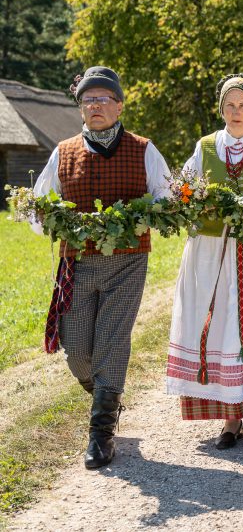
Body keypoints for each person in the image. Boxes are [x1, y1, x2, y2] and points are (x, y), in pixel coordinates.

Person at [32, 66, 171, 469]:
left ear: (119, 105)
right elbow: (40, 207)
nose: (94, 106)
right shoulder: (64, 151)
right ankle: (104, 394)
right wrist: (55, 222)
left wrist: (144, 215)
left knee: (113, 341)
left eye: (102, 99)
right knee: (76, 351)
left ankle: (100, 433)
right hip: (78, 262)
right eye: (87, 100)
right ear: (80, 108)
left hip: (128, 261)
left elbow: (165, 198)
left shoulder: (144, 149)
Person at [166, 74, 243, 450]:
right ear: (221, 109)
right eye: (229, 105)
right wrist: (190, 200)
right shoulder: (205, 147)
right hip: (212, 254)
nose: (236, 112)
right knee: (221, 326)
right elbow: (185, 190)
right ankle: (231, 417)